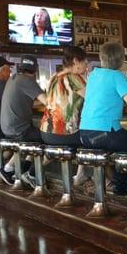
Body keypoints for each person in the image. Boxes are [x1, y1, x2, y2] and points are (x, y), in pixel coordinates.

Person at [79, 42, 127, 195]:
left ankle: (121, 187)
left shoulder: (93, 75)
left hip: (84, 134)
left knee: (123, 146)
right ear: (121, 60)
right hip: (104, 133)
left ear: (101, 58)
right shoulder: (117, 76)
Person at [40, 46, 89, 185]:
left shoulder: (54, 77)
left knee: (59, 146)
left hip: (46, 132)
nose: (86, 66)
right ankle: (81, 176)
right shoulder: (74, 78)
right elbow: (92, 99)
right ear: (75, 61)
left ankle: (33, 171)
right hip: (64, 133)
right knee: (91, 138)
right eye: (85, 62)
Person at [0, 55, 47, 185]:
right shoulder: (27, 81)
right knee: (46, 138)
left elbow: (29, 102)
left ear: (20, 67)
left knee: (34, 138)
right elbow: (48, 101)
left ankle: (21, 169)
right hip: (18, 129)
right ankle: (27, 172)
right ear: (35, 69)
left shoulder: (14, 78)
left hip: (7, 127)